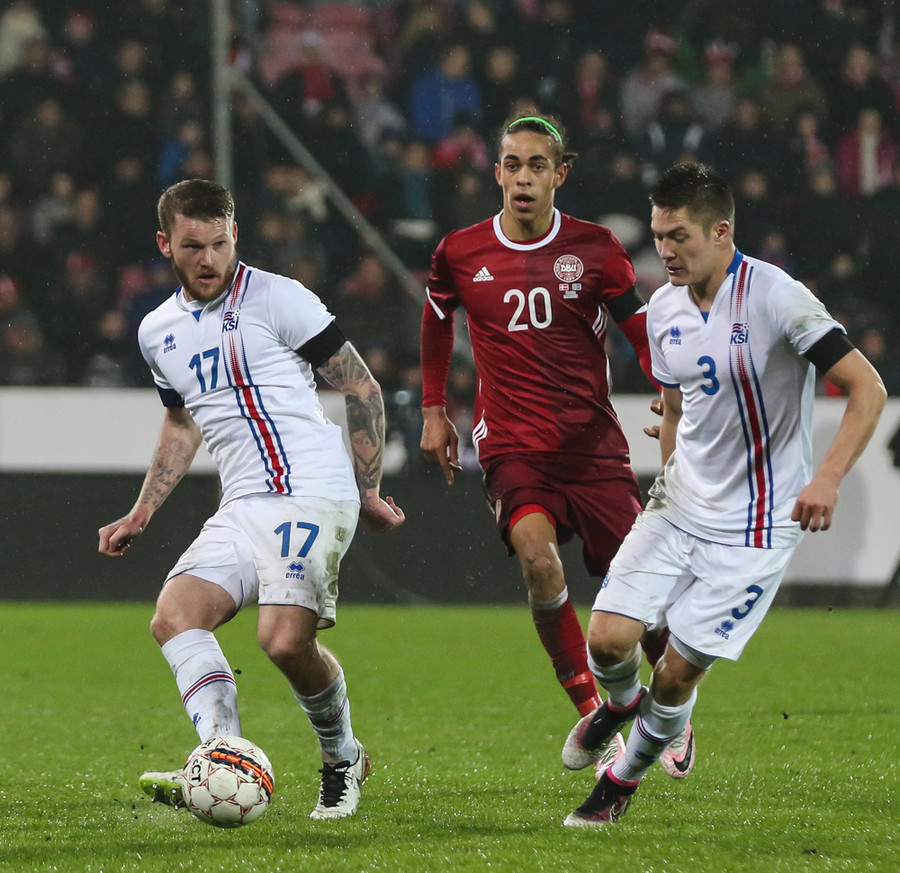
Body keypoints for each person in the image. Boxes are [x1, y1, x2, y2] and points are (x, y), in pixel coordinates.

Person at [561, 162, 886, 826]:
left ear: (720, 231)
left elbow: (868, 389)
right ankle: (619, 704)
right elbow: (676, 406)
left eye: (678, 236)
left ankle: (620, 781)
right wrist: (669, 476)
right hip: (680, 504)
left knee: (676, 675)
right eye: (659, 236)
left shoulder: (778, 297)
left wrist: (826, 477)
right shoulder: (661, 311)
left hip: (757, 525)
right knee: (607, 640)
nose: (666, 250)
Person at [98, 179, 405, 820]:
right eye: (192, 246)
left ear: (235, 235)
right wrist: (142, 511)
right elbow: (181, 424)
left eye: (219, 243)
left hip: (312, 490)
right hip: (243, 502)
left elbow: (361, 387)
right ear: (165, 245)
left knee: (284, 643)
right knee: (175, 615)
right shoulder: (157, 331)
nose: (208, 258)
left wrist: (370, 489)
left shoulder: (279, 298)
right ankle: (222, 756)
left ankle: (343, 757)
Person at [419, 113, 694, 777]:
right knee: (539, 562)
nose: (523, 178)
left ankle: (672, 708)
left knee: (638, 590)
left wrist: (667, 388)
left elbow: (637, 327)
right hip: (513, 445)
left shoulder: (595, 248)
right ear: (497, 172)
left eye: (536, 165)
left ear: (559, 174)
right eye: (512, 164)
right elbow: (436, 319)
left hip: (591, 446)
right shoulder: (460, 251)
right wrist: (434, 407)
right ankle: (599, 710)